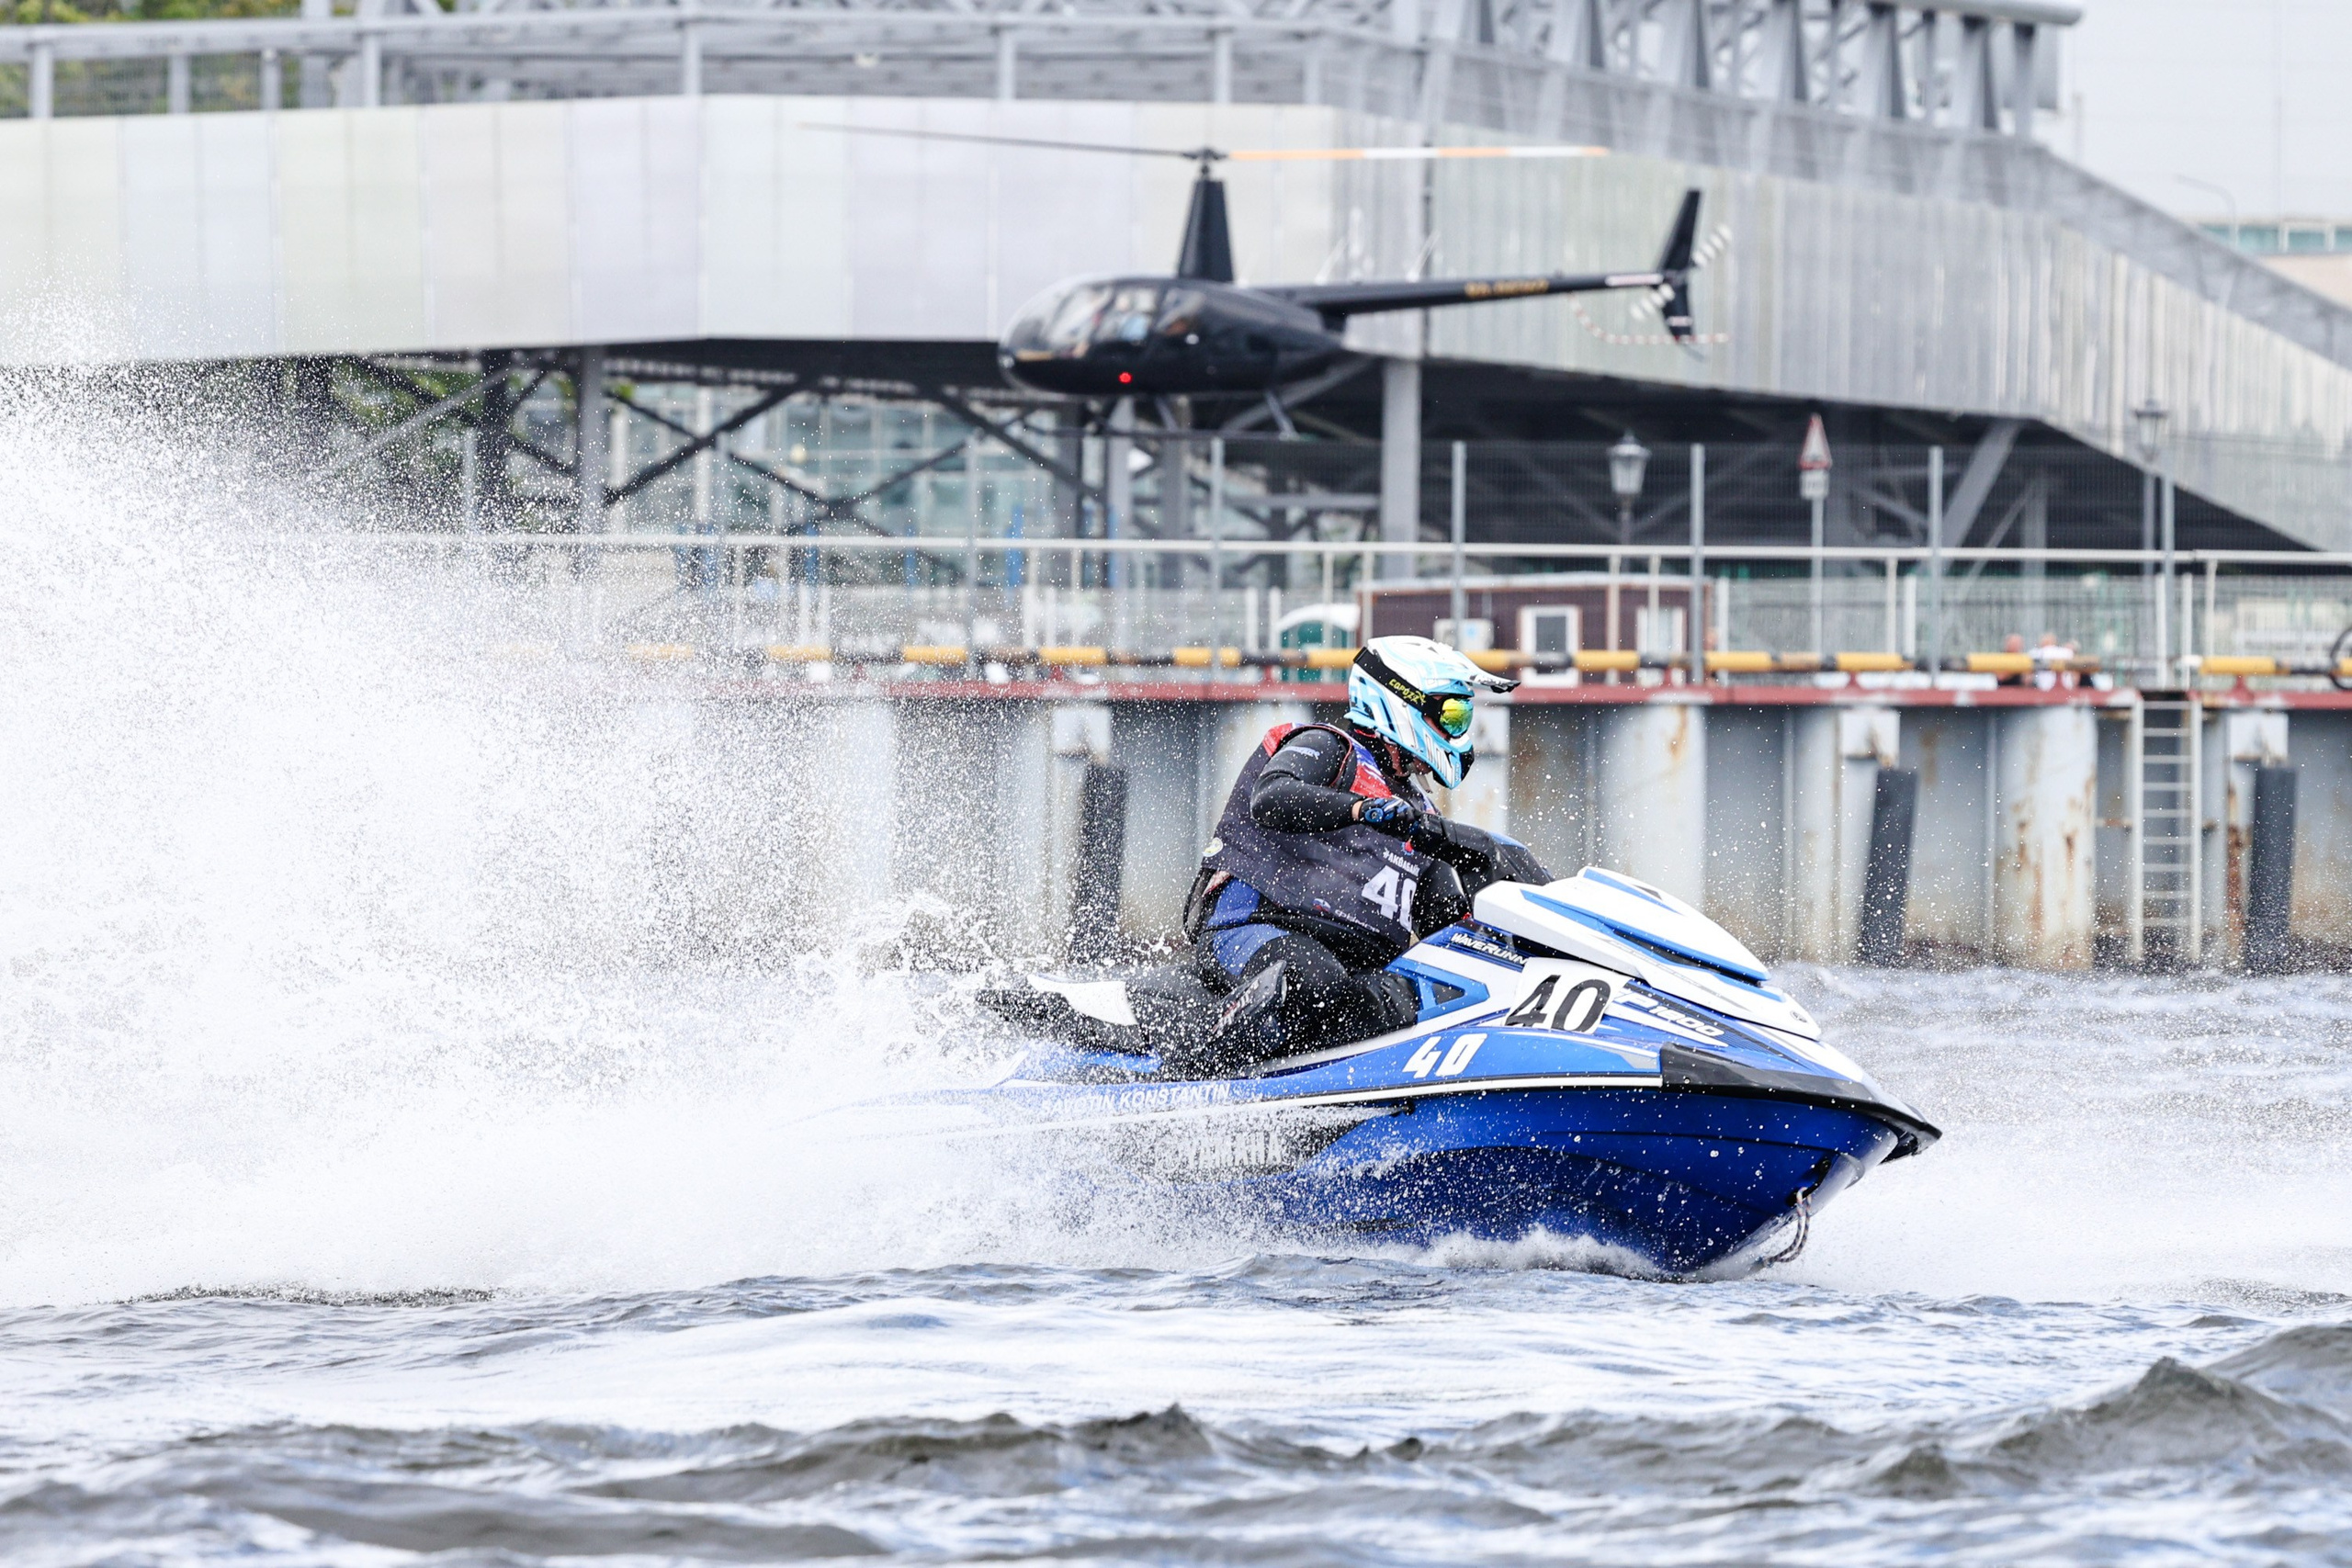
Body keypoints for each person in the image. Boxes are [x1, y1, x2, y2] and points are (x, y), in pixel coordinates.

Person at [1176, 635, 1550, 1074]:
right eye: (1451, 713)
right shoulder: (1328, 746)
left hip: (1349, 973)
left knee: (1442, 996)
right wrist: (1361, 809)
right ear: (1399, 699)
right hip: (1252, 934)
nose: (1458, 729)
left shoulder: (1418, 817)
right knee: (1310, 980)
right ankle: (1188, 1078)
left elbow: (1446, 931)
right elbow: (1271, 796)